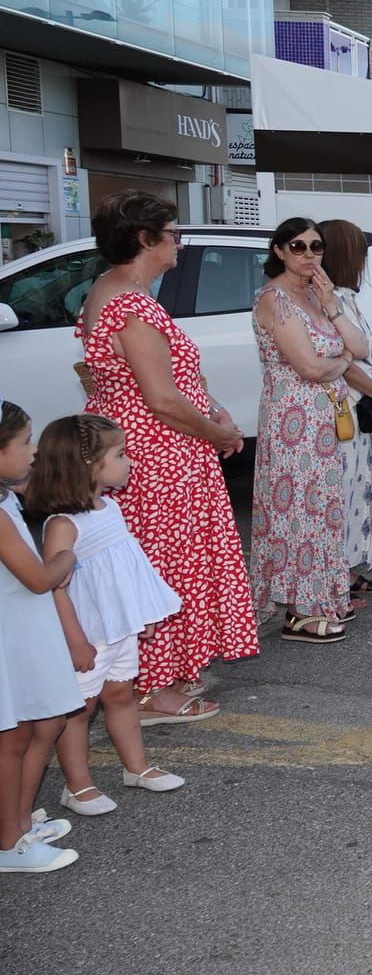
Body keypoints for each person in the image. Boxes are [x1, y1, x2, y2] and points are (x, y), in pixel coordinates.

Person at [77, 193, 250, 725]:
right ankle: (152, 687)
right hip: (157, 457)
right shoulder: (128, 303)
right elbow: (162, 397)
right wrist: (216, 433)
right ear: (146, 239)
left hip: (154, 451)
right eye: (173, 233)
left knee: (167, 564)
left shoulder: (119, 294)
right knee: (167, 567)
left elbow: (175, 384)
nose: (179, 242)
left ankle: (161, 676)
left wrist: (216, 415)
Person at [28, 415, 185, 817]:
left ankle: (137, 767)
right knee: (77, 711)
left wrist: (143, 613)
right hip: (88, 635)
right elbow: (53, 588)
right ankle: (77, 787)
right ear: (87, 466)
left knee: (120, 695)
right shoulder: (63, 526)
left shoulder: (109, 506)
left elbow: (127, 567)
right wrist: (75, 640)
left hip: (118, 628)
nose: (129, 461)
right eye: (120, 454)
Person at [251, 217, 369, 643]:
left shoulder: (319, 298)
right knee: (296, 513)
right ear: (279, 250)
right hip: (291, 424)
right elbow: (310, 366)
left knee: (323, 510)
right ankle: (299, 610)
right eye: (297, 247)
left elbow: (361, 348)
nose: (308, 255)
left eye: (316, 247)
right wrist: (339, 365)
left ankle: (322, 597)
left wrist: (332, 304)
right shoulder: (273, 299)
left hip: (323, 421)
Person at [0, 399, 84, 873]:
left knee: (23, 732)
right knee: (10, 739)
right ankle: (10, 844)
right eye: (25, 442)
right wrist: (66, 558)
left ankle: (13, 826)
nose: (33, 452)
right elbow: (37, 578)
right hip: (10, 633)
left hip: (17, 628)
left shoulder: (4, 496)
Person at [319, 220, 372, 602]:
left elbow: (367, 349)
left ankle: (349, 571)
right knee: (344, 493)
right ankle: (338, 576)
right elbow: (342, 360)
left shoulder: (346, 297)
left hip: (363, 402)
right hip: (345, 407)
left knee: (360, 491)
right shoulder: (325, 300)